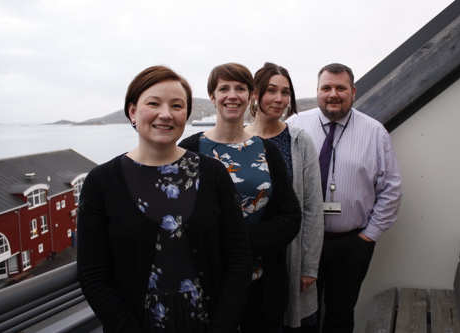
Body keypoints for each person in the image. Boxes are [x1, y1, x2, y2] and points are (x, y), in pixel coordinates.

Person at [77, 65, 252, 332]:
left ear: (186, 115)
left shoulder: (212, 173)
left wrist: (224, 325)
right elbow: (93, 273)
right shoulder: (101, 182)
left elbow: (238, 256)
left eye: (177, 106)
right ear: (133, 111)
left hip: (208, 322)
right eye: (154, 103)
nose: (166, 114)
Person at [179, 62, 302, 333]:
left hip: (261, 283)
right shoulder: (189, 151)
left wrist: (241, 243)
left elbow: (290, 215)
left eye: (240, 88)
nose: (232, 95)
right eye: (224, 88)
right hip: (208, 283)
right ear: (212, 96)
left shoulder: (267, 151)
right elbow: (179, 217)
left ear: (251, 95)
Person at [287, 63, 402, 333]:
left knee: (340, 315)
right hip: (303, 244)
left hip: (352, 244)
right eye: (326, 88)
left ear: (353, 91)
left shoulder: (374, 132)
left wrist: (367, 237)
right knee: (302, 317)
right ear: (317, 91)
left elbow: (391, 188)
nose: (333, 94)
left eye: (340, 88)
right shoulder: (294, 126)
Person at [243, 62, 323, 331]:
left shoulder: (298, 140)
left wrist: (309, 266)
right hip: (248, 255)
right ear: (255, 93)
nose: (280, 99)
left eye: (286, 92)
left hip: (290, 255)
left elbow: (312, 206)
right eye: (271, 90)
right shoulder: (238, 140)